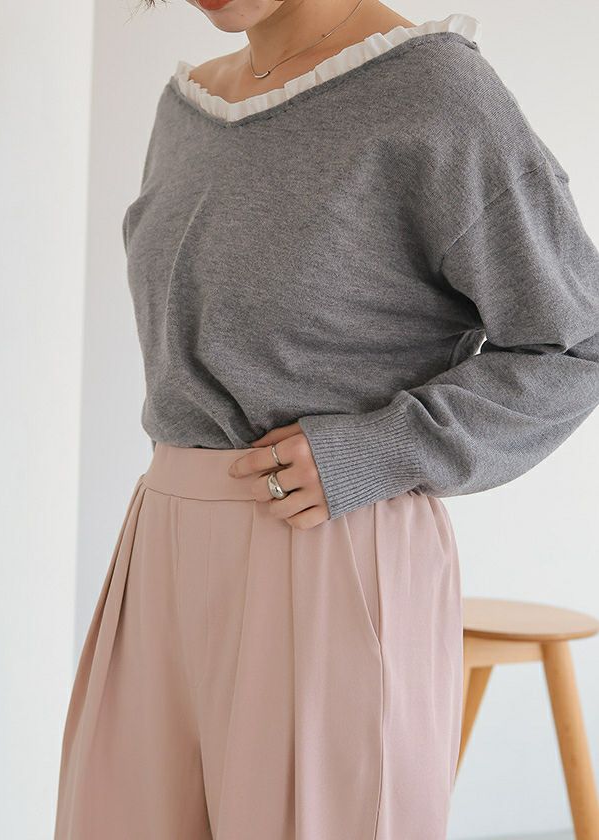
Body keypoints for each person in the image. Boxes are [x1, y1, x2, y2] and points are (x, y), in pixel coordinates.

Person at [53, 2, 599, 838]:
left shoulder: (434, 92)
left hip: (328, 550)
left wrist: (380, 448)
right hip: (160, 549)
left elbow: (575, 343)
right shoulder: (187, 107)